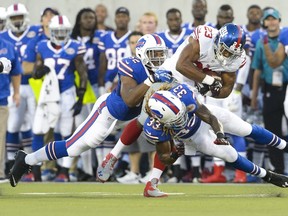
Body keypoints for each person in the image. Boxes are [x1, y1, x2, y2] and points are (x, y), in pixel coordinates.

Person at [8, 33, 173, 187]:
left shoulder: (165, 71)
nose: (159, 58)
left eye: (161, 53)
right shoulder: (131, 65)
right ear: (142, 54)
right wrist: (152, 80)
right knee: (73, 148)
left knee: (158, 124)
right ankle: (27, 159)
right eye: (154, 54)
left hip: (131, 117)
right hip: (108, 111)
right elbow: (129, 100)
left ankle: (150, 176)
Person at [96, 23, 247, 183]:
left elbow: (225, 91)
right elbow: (181, 65)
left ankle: (155, 179)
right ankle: (113, 155)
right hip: (175, 77)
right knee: (146, 119)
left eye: (230, 53)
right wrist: (209, 80)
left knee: (171, 128)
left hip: (193, 86)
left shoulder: (235, 59)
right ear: (217, 41)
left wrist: (208, 89)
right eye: (224, 49)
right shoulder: (204, 38)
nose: (226, 55)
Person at [142, 83, 288, 197]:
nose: (181, 119)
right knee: (229, 155)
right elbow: (164, 158)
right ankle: (268, 176)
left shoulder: (183, 95)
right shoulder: (154, 127)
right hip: (194, 137)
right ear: (159, 119)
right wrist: (175, 154)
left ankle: (285, 145)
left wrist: (220, 134)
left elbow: (210, 117)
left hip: (204, 118)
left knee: (244, 128)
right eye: (175, 119)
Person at [1, 3, 41, 174]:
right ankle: (12, 162)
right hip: (12, 90)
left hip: (23, 88)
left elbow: (17, 70)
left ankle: (21, 166)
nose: (17, 21)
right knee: (14, 126)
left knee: (30, 125)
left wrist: (15, 92)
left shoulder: (10, 44)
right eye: (13, 17)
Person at [251, 8, 288, 175]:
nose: (271, 22)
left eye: (274, 19)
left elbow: (275, 61)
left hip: (286, 88)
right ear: (264, 23)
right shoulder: (261, 42)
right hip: (270, 90)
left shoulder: (286, 38)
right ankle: (278, 168)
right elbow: (257, 70)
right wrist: (253, 96)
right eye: (268, 19)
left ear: (279, 20)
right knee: (273, 131)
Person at [0, 45, 21, 181]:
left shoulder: (6, 45)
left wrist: (16, 92)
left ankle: (0, 173)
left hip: (1, 99)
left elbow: (15, 71)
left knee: (0, 138)